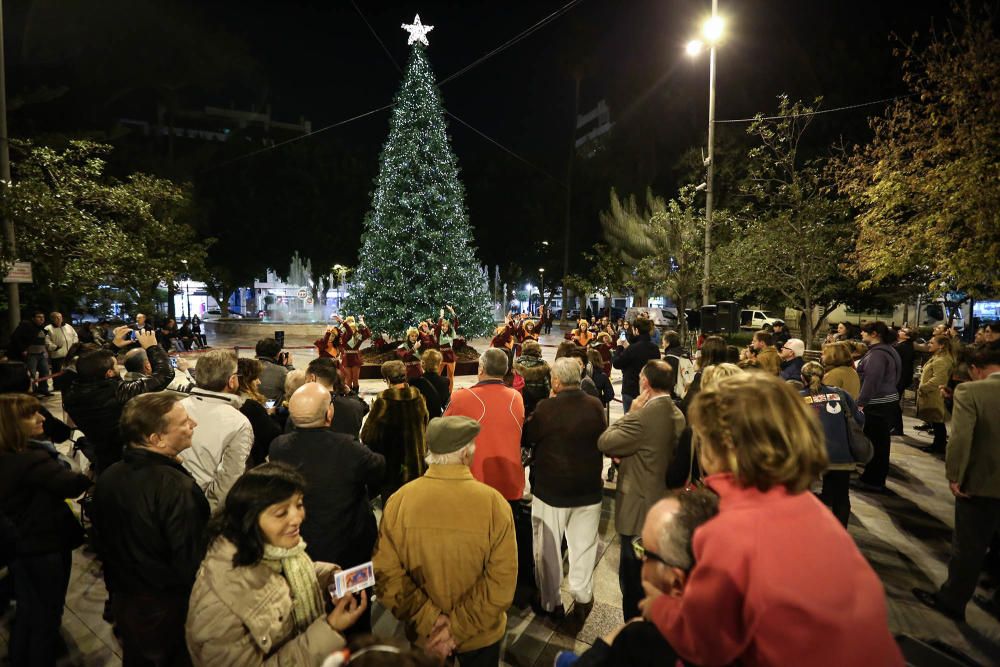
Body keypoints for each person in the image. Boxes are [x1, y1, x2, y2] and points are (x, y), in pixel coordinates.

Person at [640, 373, 904, 667]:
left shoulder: (730, 530)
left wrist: (658, 607)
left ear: (722, 445)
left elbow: (706, 643)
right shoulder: (809, 508)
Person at [186, 463, 368, 665]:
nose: (298, 518)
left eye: (298, 504)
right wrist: (330, 629)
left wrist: (328, 577)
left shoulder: (277, 552)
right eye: (281, 513)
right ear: (250, 519)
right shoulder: (219, 601)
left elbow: (282, 579)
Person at [374, 416, 517, 665]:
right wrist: (456, 629)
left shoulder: (400, 501)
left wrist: (431, 620)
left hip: (425, 636)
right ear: (465, 454)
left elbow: (385, 574)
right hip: (480, 636)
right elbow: (501, 583)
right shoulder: (495, 504)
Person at [93, 392, 210, 666]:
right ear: (156, 439)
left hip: (126, 598)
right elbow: (191, 560)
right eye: (183, 422)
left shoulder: (109, 476)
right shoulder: (176, 489)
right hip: (167, 608)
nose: (193, 423)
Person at [554, 491, 720, 667]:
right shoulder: (727, 636)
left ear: (677, 582)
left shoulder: (643, 643)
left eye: (645, 552)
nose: (641, 559)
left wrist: (616, 639)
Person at [268, 383, 385, 628]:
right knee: (354, 610)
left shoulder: (279, 446)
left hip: (301, 552)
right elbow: (379, 470)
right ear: (329, 413)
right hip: (348, 553)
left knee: (309, 613)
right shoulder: (350, 449)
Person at [0, 394, 92, 667]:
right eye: (31, 415)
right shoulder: (32, 461)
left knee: (29, 611)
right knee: (46, 615)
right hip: (43, 546)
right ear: (12, 424)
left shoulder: (9, 456)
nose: (42, 418)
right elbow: (73, 485)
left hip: (19, 546)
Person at [913, 342, 1000, 621]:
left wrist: (955, 475)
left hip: (981, 483)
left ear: (976, 369)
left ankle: (952, 600)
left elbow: (961, 439)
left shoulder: (973, 391)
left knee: (969, 547)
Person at [598, 360, 685, 620]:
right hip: (662, 502)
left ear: (645, 382)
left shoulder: (645, 415)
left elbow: (605, 441)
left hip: (638, 509)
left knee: (632, 577)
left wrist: (631, 413)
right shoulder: (677, 413)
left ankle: (633, 627)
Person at [522, 358, 607, 620]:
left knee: (547, 547)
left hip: (552, 490)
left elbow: (527, 436)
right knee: (583, 546)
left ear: (556, 381)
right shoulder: (594, 405)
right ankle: (582, 597)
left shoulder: (548, 407)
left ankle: (551, 601)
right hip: (588, 489)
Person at [63, 327, 175, 475]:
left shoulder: (72, 394)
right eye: (116, 366)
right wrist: (152, 347)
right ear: (109, 373)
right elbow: (164, 375)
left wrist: (113, 347)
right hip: (129, 462)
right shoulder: (118, 393)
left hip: (102, 458)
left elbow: (91, 364)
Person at [444, 348, 526, 502]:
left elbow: (442, 434)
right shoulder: (516, 397)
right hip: (510, 484)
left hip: (476, 485)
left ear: (481, 369)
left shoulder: (461, 397)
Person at [180, 350, 254, 510]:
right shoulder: (238, 422)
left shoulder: (177, 407)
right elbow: (229, 478)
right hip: (201, 506)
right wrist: (209, 514)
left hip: (170, 499)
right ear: (232, 381)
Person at [800, 362, 864, 527]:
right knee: (842, 496)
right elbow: (859, 420)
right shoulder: (841, 394)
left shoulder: (798, 397)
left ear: (802, 378)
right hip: (841, 454)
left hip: (810, 456)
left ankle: (805, 531)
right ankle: (840, 535)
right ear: (823, 376)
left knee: (801, 493)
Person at [360, 360, 429, 502]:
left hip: (393, 471)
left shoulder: (383, 402)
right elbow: (425, 425)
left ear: (386, 379)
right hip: (417, 466)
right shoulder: (419, 398)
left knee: (393, 514)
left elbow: (367, 436)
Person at [855, 322, 902, 492]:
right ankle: (875, 478)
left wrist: (861, 403)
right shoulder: (889, 350)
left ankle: (872, 480)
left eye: (864, 332)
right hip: (887, 401)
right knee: (881, 442)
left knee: (876, 443)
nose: (861, 334)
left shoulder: (877, 355)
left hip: (877, 404)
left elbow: (871, 381)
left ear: (874, 334)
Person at [304, 357, 369, 440]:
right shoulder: (354, 406)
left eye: (305, 379)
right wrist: (351, 393)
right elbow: (365, 407)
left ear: (312, 378)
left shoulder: (304, 407)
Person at [236, 357, 283, 466]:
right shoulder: (250, 406)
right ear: (246, 381)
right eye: (255, 378)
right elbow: (273, 433)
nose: (259, 382)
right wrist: (269, 415)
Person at [916, 334, 956, 453]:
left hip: (935, 394)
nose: (929, 344)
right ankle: (938, 444)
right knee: (936, 422)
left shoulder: (942, 360)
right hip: (932, 394)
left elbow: (939, 379)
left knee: (938, 422)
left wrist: (923, 387)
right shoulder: (938, 357)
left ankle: (939, 446)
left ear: (941, 346)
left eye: (932, 343)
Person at [611, 317, 661, 414]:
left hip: (631, 389)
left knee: (631, 422)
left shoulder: (633, 348)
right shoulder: (654, 348)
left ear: (636, 330)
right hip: (648, 390)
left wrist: (619, 347)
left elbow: (617, 363)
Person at [9, 311, 52, 395]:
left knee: (45, 370)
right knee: (31, 373)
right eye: (39, 317)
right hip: (31, 354)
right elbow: (15, 337)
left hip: (41, 353)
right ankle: (32, 390)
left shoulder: (41, 328)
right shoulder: (26, 326)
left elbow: (42, 341)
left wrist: (45, 351)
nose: (41, 319)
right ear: (33, 318)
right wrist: (23, 349)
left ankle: (43, 389)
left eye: (43, 317)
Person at [514, 340, 551, 417]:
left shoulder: (515, 366)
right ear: (538, 351)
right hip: (538, 409)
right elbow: (548, 390)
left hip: (518, 407)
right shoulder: (544, 367)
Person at [255, 337, 295, 404]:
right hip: (270, 408)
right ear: (278, 354)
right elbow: (294, 385)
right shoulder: (281, 371)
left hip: (251, 406)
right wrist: (289, 366)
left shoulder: (249, 366)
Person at [340, 315, 371, 394]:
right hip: (347, 359)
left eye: (353, 328)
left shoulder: (358, 336)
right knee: (348, 379)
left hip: (355, 359)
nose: (352, 329)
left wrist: (363, 324)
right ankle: (348, 395)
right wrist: (342, 321)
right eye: (350, 328)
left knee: (355, 379)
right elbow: (348, 333)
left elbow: (368, 334)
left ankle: (355, 395)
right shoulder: (344, 336)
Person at [435, 306, 460, 392]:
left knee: (451, 376)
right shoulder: (439, 332)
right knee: (437, 375)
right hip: (441, 355)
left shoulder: (451, 332)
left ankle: (450, 392)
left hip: (450, 355)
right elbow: (438, 327)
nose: (444, 328)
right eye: (443, 326)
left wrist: (453, 312)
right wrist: (441, 316)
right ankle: (437, 391)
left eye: (445, 326)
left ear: (448, 327)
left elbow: (456, 323)